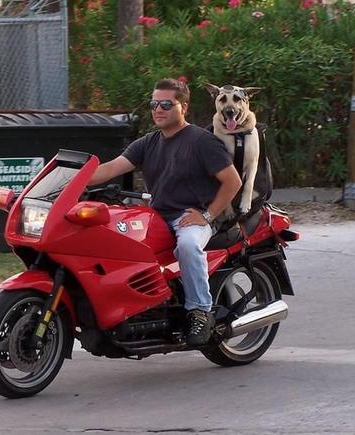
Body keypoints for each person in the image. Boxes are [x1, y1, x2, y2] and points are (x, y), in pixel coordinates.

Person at [89, 78, 242, 345]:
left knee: (187, 245)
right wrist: (65, 179)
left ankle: (200, 311)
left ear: (183, 107)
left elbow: (233, 182)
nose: (158, 109)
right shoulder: (147, 143)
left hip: (192, 216)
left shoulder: (201, 141)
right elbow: (108, 169)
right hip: (157, 216)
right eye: (153, 103)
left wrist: (207, 216)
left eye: (165, 104)